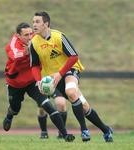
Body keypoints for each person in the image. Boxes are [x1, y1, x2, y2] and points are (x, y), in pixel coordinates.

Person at [29, 11, 113, 142]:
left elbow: (74, 56)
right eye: (33, 21)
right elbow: (34, 65)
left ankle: (84, 130)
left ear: (46, 24)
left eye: (37, 22)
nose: (34, 24)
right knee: (84, 107)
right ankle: (106, 130)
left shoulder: (59, 37)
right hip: (54, 77)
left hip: (70, 70)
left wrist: (60, 73)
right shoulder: (33, 43)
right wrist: (38, 81)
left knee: (70, 91)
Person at [2, 22, 74, 142]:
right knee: (15, 109)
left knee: (47, 104)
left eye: (31, 33)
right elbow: (15, 55)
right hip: (16, 83)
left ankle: (65, 134)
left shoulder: (35, 38)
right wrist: (29, 50)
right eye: (26, 35)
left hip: (32, 81)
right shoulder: (13, 43)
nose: (30, 37)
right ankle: (10, 115)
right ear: (18, 36)